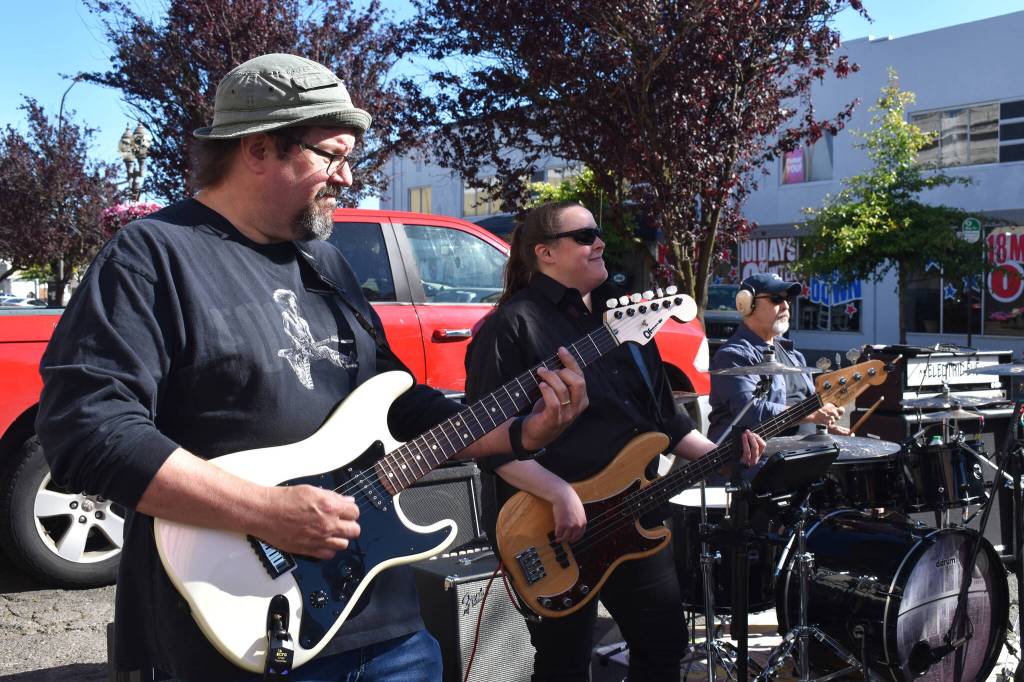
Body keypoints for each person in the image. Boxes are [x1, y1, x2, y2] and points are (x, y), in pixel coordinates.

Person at [35, 54, 589, 682]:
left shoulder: (326, 262)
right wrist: (264, 514)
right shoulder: (152, 255)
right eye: (331, 155)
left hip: (385, 625)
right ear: (259, 148)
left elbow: (400, 405)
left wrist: (521, 432)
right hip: (238, 633)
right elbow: (89, 431)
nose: (347, 177)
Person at [464, 200, 764, 682]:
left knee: (664, 650)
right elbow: (487, 441)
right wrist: (559, 493)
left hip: (636, 519)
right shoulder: (511, 326)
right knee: (564, 666)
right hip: (552, 528)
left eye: (598, 232)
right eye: (584, 236)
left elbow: (665, 422)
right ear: (544, 252)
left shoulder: (628, 318)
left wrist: (723, 458)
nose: (599, 242)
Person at [707, 272, 850, 444]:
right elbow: (750, 411)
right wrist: (811, 414)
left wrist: (824, 425)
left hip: (801, 455)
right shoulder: (732, 355)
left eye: (787, 300)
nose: (785, 306)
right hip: (756, 462)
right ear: (747, 304)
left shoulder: (793, 354)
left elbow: (810, 406)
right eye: (776, 299)